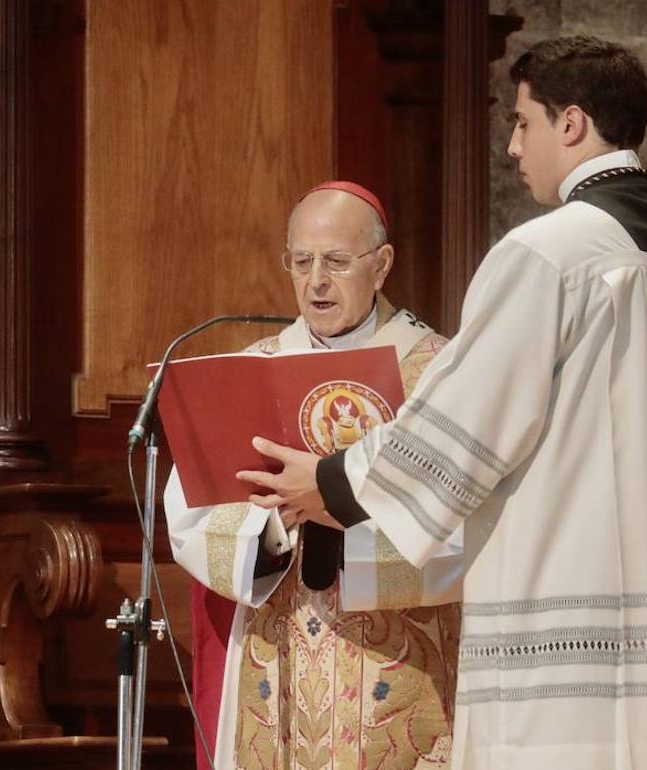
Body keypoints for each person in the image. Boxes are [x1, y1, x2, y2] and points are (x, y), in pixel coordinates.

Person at [241, 36, 647, 769]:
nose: (514, 147)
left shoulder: (549, 252)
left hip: (571, 633)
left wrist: (328, 485)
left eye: (523, 123)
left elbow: (466, 422)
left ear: (571, 123)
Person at [165, 181, 465, 770]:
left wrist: (339, 506)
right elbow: (193, 513)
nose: (316, 280)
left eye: (336, 261)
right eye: (301, 261)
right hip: (275, 666)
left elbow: (469, 520)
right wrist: (276, 519)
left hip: (402, 674)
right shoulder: (250, 369)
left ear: (382, 266)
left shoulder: (440, 373)